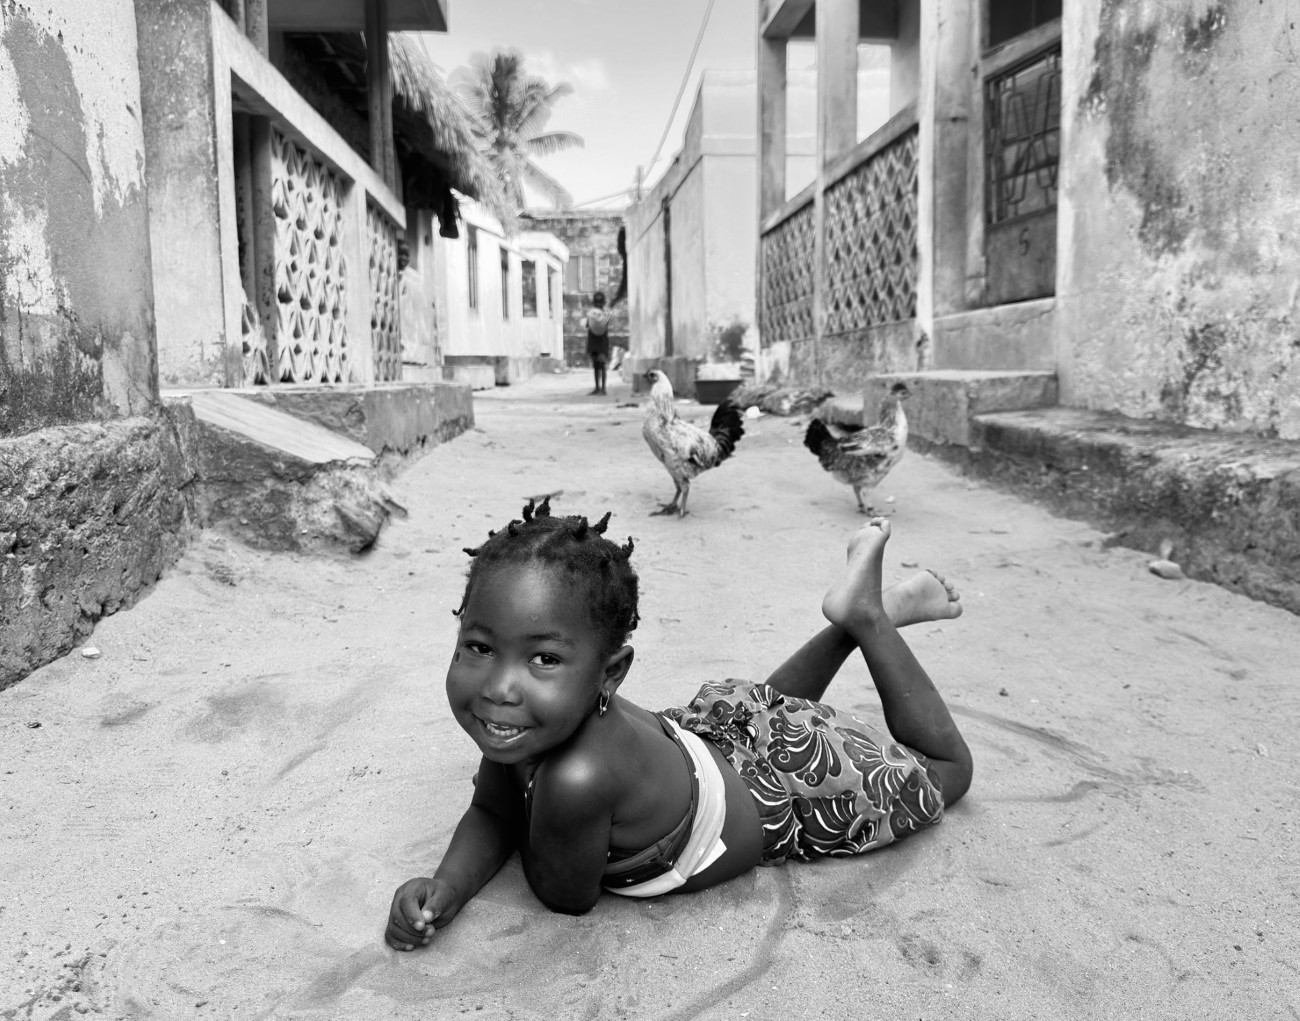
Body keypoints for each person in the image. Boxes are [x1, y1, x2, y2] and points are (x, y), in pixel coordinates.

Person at [385, 499, 972, 948]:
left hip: (787, 791)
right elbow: (494, 811)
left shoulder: (576, 778)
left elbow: (564, 895)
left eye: (543, 659)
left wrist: (526, 811)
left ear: (611, 674)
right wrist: (448, 887)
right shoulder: (520, 722)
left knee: (949, 771)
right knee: (774, 707)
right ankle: (854, 620)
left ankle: (869, 620)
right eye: (480, 647)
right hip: (721, 732)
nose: (498, 687)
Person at [583, 292, 612, 395]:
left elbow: (587, 325)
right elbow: (590, 325)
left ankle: (601, 389)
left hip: (598, 341)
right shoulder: (604, 313)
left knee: (600, 365)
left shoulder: (598, 313)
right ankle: (599, 388)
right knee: (597, 365)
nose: (598, 304)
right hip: (598, 340)